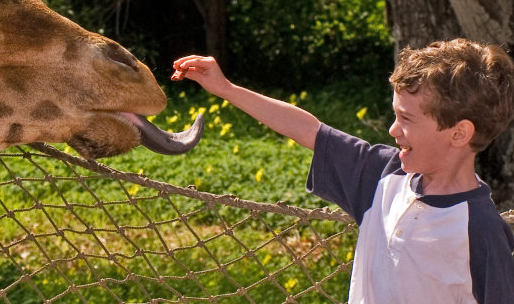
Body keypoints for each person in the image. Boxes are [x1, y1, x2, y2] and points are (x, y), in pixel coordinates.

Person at [172, 39, 514, 303]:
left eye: (407, 119)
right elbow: (310, 130)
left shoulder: (481, 231)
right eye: (396, 114)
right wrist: (226, 89)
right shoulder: (383, 177)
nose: (393, 130)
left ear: (460, 133)